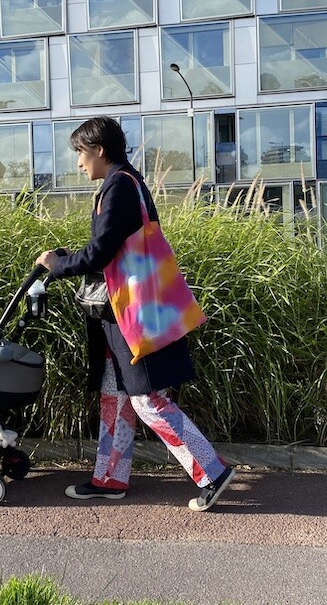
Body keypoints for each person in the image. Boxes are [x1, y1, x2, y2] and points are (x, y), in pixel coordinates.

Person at [35, 116, 235, 512]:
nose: (78, 162)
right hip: (122, 314)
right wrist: (70, 258)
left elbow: (100, 252)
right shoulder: (126, 183)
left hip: (132, 315)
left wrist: (58, 265)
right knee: (116, 396)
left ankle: (213, 471)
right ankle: (109, 478)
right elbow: (112, 248)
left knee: (147, 400)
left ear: (99, 150)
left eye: (81, 153)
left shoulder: (120, 187)